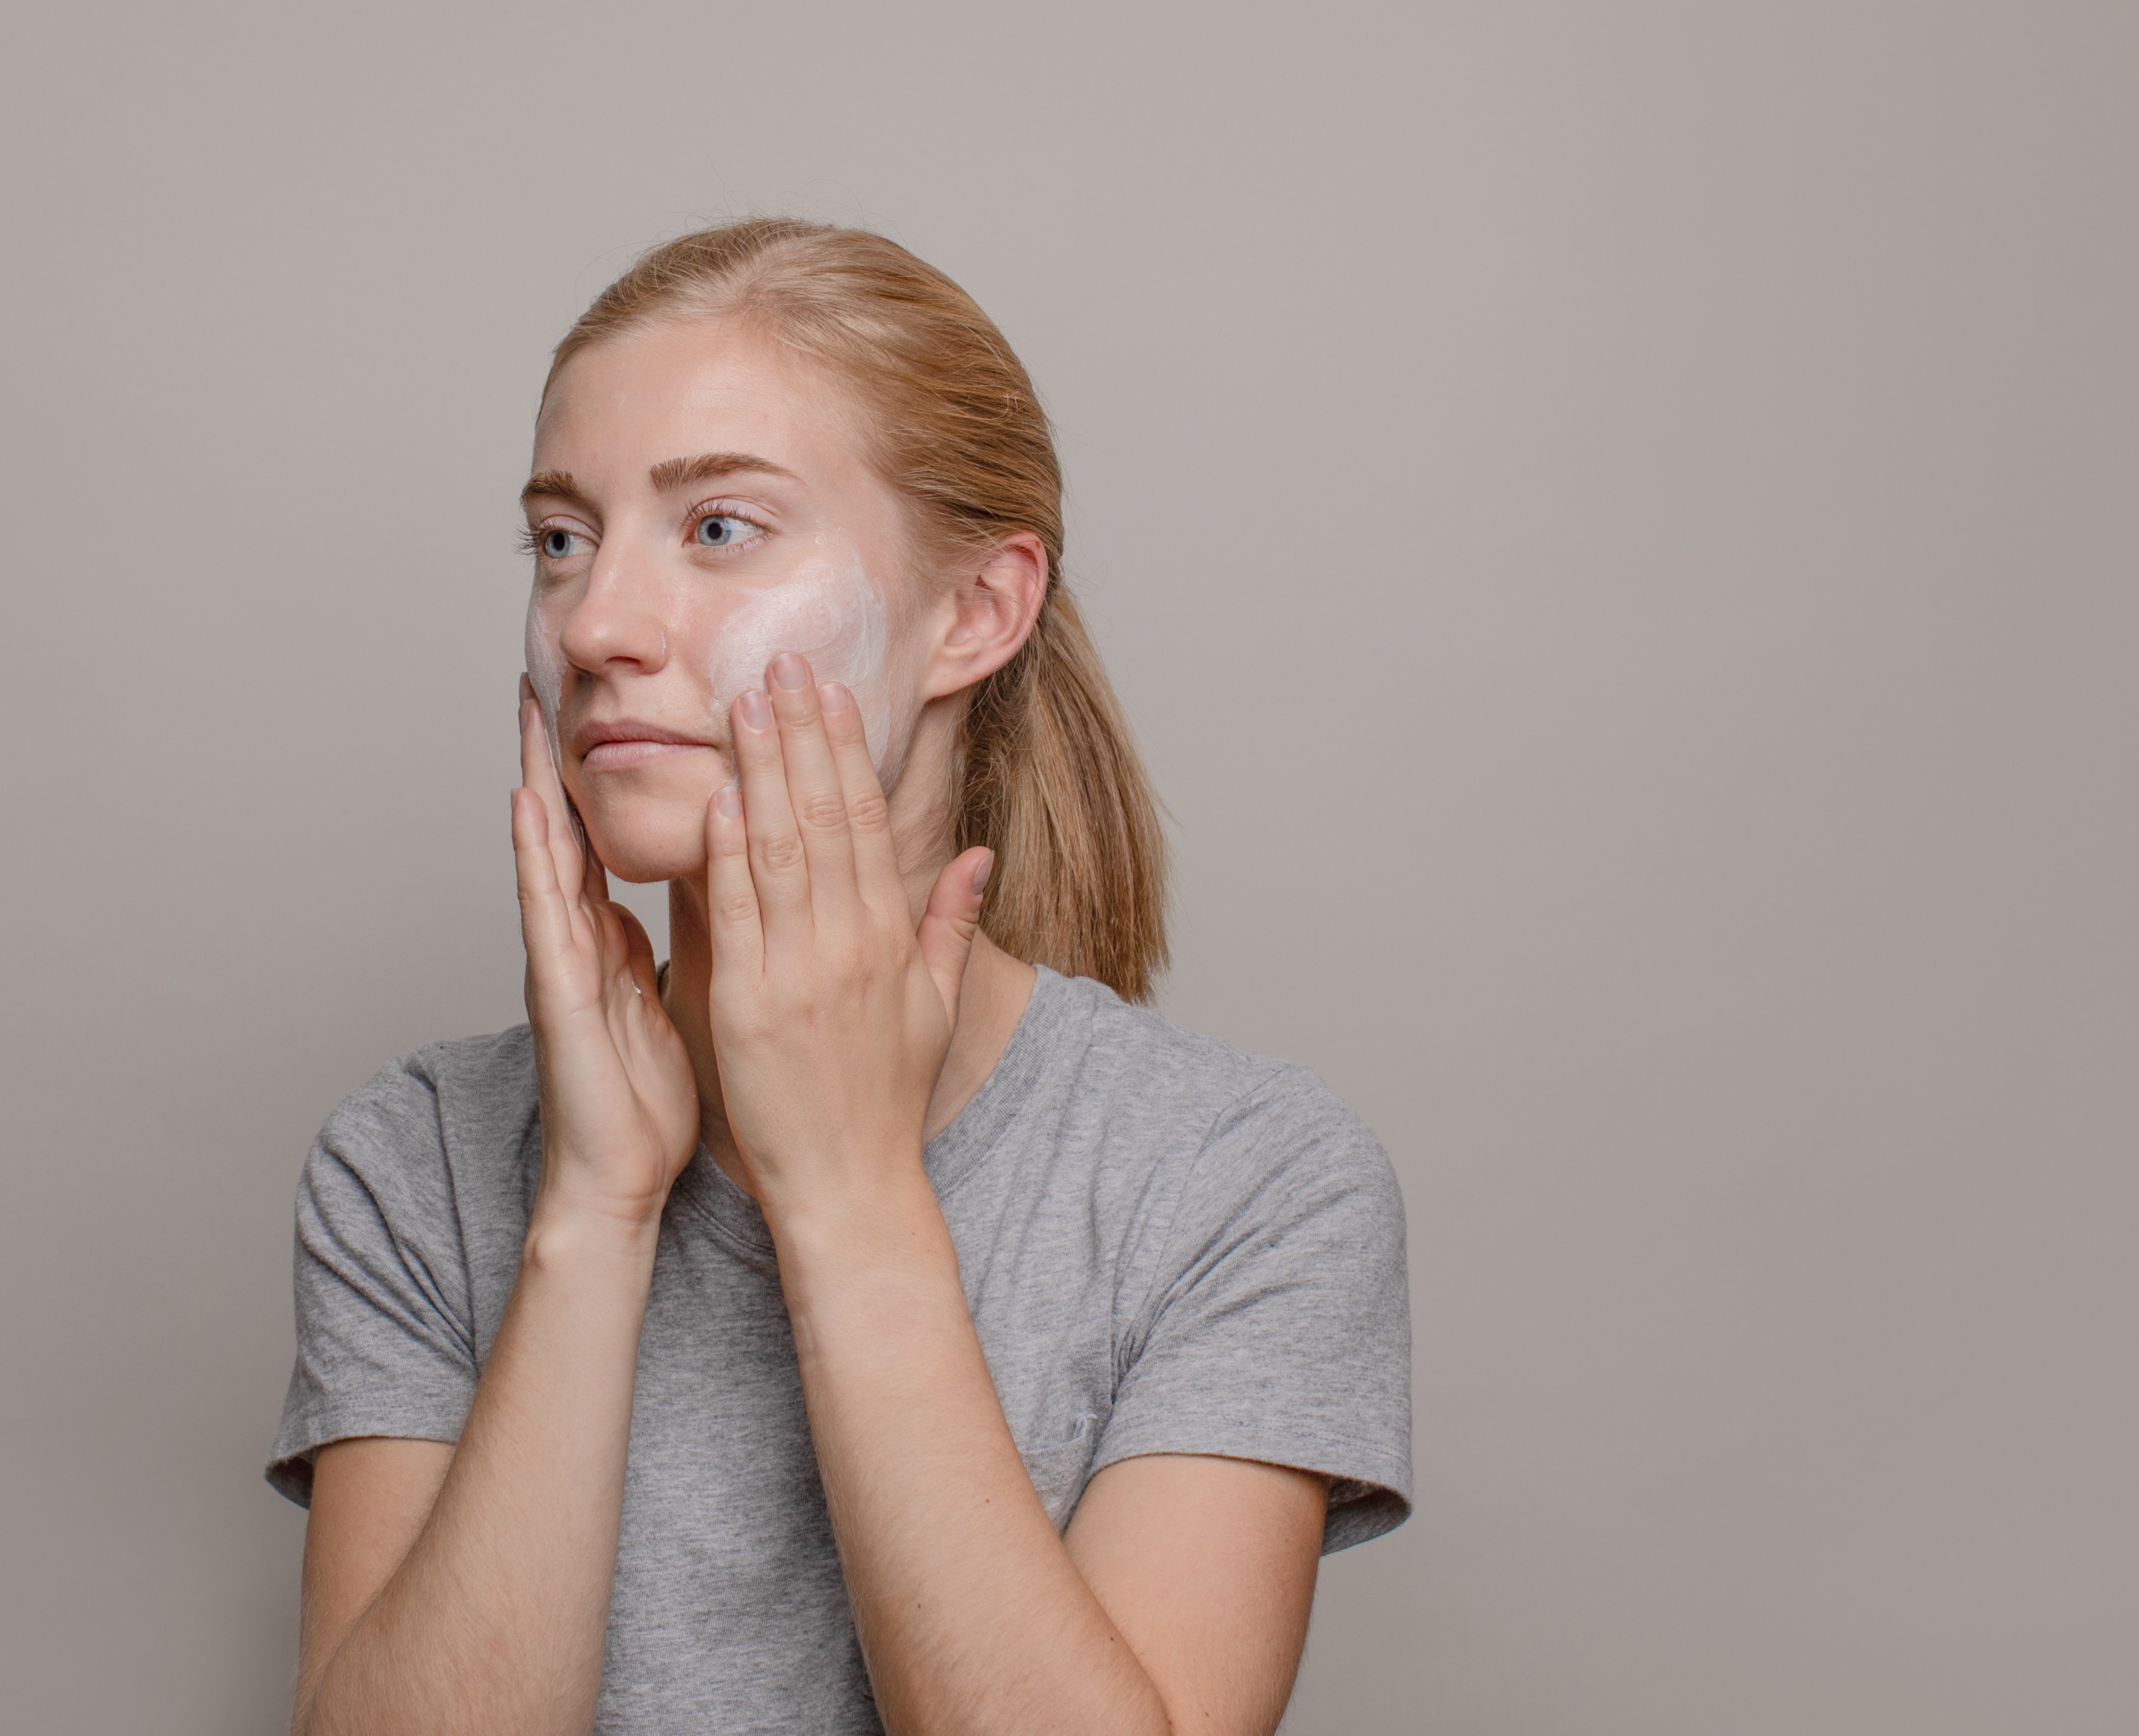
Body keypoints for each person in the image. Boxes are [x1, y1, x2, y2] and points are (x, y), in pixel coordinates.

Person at [268, 220, 1410, 1735]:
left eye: (719, 528)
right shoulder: (415, 1158)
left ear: (973, 613)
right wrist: (593, 1218)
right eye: (560, 537)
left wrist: (852, 1201)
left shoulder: (1235, 1182)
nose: (597, 625)